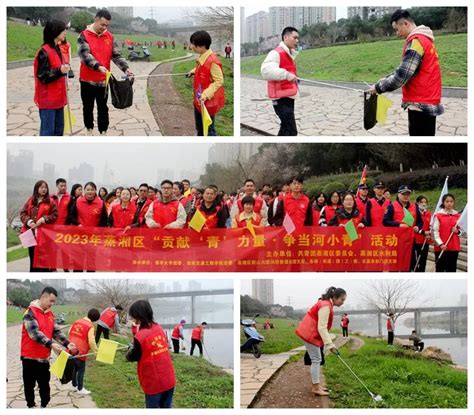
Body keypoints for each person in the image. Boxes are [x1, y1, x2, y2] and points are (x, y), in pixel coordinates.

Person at [367, 9, 443, 136]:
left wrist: (378, 88)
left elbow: (402, 76)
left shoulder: (417, 42)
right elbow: (408, 70)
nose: (397, 33)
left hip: (420, 104)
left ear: (406, 24)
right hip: (427, 100)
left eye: (397, 29)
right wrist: (385, 79)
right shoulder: (426, 40)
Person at [78, 9, 133, 136]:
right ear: (95, 20)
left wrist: (126, 68)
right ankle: (89, 130)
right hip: (87, 80)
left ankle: (103, 132)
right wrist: (97, 66)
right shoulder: (83, 35)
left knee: (103, 107)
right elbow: (84, 55)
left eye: (107, 25)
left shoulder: (109, 36)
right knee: (88, 107)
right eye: (102, 25)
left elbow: (116, 55)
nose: (104, 28)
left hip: (103, 81)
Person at [20, 287, 77, 408]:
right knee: (29, 385)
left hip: (44, 358)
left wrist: (67, 343)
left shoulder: (50, 314)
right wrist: (50, 344)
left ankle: (44, 406)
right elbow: (34, 333)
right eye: (51, 301)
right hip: (29, 358)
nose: (52, 304)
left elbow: (56, 331)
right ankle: (31, 406)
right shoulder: (30, 313)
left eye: (54, 302)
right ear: (43, 297)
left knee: (45, 386)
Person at [295, 287, 347, 396]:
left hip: (309, 331)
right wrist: (330, 345)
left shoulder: (326, 303)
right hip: (309, 333)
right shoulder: (326, 306)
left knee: (316, 358)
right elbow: (322, 328)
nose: (343, 302)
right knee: (316, 359)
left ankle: (317, 385)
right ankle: (315, 388)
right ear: (335, 297)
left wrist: (329, 344)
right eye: (342, 299)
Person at [126, 300, 176, 408]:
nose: (132, 319)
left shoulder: (141, 337)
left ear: (138, 316)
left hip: (154, 383)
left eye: (133, 316)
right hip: (169, 378)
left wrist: (130, 350)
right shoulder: (158, 328)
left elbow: (132, 356)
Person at [34, 19, 70, 136]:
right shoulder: (44, 51)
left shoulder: (57, 48)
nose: (65, 32)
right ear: (55, 32)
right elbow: (43, 76)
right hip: (48, 100)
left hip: (58, 99)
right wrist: (60, 71)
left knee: (59, 130)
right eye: (63, 30)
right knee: (48, 132)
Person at [261, 27, 299, 136]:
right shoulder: (276, 53)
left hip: (288, 96)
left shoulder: (289, 54)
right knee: (291, 130)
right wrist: (286, 75)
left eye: (298, 38)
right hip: (280, 99)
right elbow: (266, 71)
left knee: (285, 127)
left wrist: (293, 78)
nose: (297, 41)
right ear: (285, 37)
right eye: (295, 37)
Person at [186, 30, 225, 136]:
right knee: (200, 128)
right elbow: (202, 69)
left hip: (207, 101)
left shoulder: (213, 61)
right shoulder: (203, 57)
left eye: (193, 44)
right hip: (198, 100)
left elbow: (219, 81)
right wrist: (192, 72)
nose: (191, 46)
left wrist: (206, 95)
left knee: (209, 129)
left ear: (201, 46)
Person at [20, 180, 58, 272]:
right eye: (41, 187)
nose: (44, 189)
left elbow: (55, 215)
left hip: (44, 235)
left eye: (45, 187)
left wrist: (44, 219)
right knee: (32, 259)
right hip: (30, 234)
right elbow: (22, 213)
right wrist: (29, 221)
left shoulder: (51, 202)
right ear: (37, 189)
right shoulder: (30, 200)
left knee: (44, 259)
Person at [383, 185, 423, 270]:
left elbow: (420, 222)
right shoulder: (392, 206)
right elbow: (385, 221)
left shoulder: (414, 207)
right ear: (398, 194)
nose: (406, 196)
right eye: (403, 194)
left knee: (410, 265)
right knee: (395, 266)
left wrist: (417, 227)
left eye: (408, 194)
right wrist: (399, 225)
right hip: (396, 242)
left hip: (411, 242)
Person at [68, 308, 100, 395]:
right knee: (81, 370)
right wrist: (96, 352)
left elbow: (69, 331)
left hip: (71, 349)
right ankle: (80, 388)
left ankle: (74, 385)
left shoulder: (77, 321)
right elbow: (92, 341)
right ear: (95, 319)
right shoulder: (90, 326)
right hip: (81, 351)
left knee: (74, 369)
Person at [432, 193, 462, 272]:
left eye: (451, 201)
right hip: (441, 248)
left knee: (451, 270)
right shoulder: (438, 216)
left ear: (454, 202)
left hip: (454, 248)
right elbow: (434, 232)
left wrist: (457, 231)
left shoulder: (458, 216)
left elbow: (463, 231)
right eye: (447, 201)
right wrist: (440, 244)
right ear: (443, 203)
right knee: (440, 269)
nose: (449, 203)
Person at [413, 195, 432, 272]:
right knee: (415, 260)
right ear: (417, 203)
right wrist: (423, 232)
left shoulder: (429, 214)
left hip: (425, 241)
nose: (424, 204)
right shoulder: (414, 213)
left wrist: (429, 234)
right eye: (421, 202)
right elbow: (413, 227)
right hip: (415, 240)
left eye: (425, 202)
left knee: (423, 261)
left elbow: (431, 226)